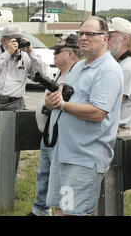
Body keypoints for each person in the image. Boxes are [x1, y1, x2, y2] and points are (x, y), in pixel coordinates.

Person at [45, 16, 123, 216]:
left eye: (90, 34)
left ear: (104, 39)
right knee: (64, 209)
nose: (84, 38)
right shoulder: (78, 67)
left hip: (84, 158)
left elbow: (98, 112)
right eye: (81, 33)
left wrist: (62, 105)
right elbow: (61, 96)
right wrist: (51, 101)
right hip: (64, 153)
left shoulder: (109, 70)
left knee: (76, 212)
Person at [0, 25, 45, 200]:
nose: (16, 42)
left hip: (13, 104)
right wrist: (7, 54)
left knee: (11, 149)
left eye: (18, 38)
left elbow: (39, 74)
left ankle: (7, 188)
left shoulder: (25, 56)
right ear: (4, 40)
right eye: (12, 39)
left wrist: (30, 51)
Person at [29, 34, 82, 216]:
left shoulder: (77, 74)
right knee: (43, 173)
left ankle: (57, 210)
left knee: (58, 177)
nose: (54, 55)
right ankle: (41, 209)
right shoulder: (60, 72)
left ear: (70, 53)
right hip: (49, 133)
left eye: (57, 51)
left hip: (61, 137)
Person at [107, 17, 131, 136]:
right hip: (113, 131)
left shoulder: (128, 67)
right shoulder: (123, 63)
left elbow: (108, 103)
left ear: (124, 38)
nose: (105, 39)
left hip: (116, 132)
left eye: (110, 36)